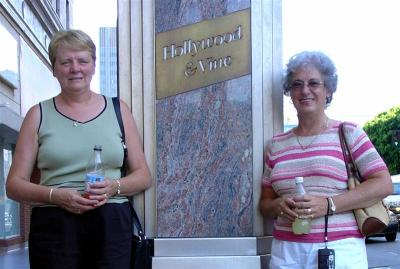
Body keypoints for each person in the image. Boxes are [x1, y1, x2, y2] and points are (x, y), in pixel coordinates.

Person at [6, 29, 152, 269]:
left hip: (111, 224)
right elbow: (14, 184)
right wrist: (56, 196)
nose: (75, 68)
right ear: (54, 68)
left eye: (82, 60)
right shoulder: (37, 115)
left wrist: (112, 187)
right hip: (55, 226)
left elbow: (143, 175)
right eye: (65, 62)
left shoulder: (119, 110)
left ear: (93, 65)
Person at [259, 51, 393, 269]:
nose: (304, 90)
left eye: (314, 83)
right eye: (296, 84)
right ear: (289, 92)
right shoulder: (276, 145)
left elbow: (383, 183)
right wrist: (279, 205)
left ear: (328, 89)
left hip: (339, 250)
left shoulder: (348, 133)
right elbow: (265, 204)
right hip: (286, 251)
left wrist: (328, 204)